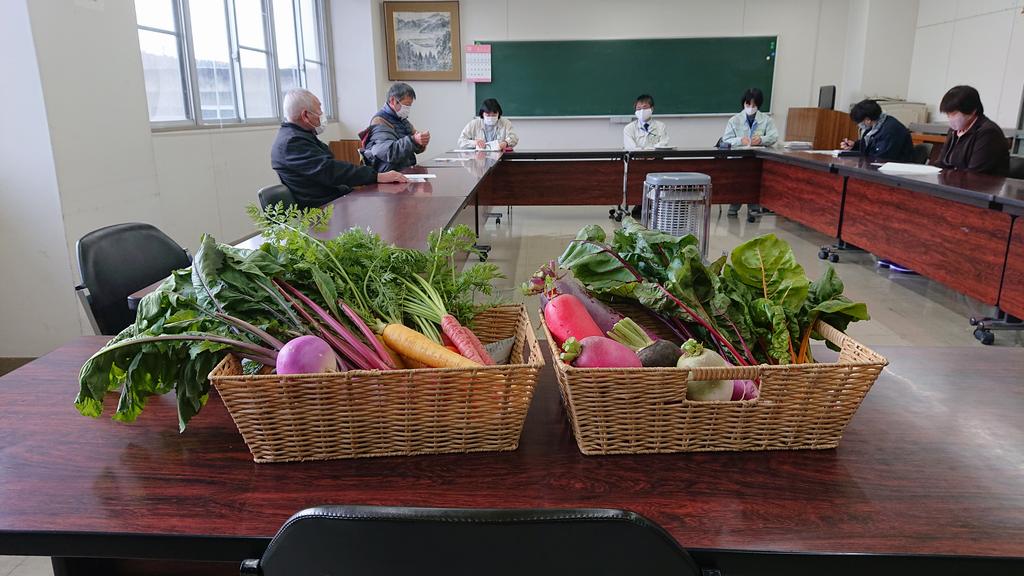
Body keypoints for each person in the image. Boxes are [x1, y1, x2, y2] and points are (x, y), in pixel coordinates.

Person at [271, 89, 406, 208]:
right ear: (305, 115)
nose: (322, 115)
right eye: (319, 110)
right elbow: (330, 170)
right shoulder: (291, 142)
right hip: (322, 211)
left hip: (335, 201)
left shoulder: (301, 136)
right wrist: (376, 176)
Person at [724, 88, 778, 217]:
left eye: (754, 105)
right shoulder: (734, 120)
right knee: (739, 180)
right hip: (738, 159)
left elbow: (774, 137)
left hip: (757, 159)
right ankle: (734, 206)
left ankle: (754, 207)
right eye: (748, 104)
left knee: (756, 180)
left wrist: (761, 139)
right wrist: (740, 140)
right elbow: (726, 140)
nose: (751, 107)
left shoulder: (766, 120)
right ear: (744, 103)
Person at [933, 85, 1010, 176]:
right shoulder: (954, 131)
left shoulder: (988, 133)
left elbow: (974, 173)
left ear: (973, 110)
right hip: (953, 184)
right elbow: (941, 163)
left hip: (980, 187)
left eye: (954, 114)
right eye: (948, 115)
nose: (950, 118)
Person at [359, 83, 430, 173]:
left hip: (404, 171)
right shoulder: (379, 121)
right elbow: (388, 152)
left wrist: (421, 141)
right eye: (406, 104)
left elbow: (415, 145)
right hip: (389, 175)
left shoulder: (402, 119)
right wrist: (413, 140)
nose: (408, 108)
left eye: (410, 105)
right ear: (393, 100)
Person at [838, 99, 914, 162]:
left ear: (867, 120)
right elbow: (871, 145)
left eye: (859, 122)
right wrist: (854, 145)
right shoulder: (875, 124)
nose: (859, 125)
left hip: (895, 170)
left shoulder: (890, 130)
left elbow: (881, 158)